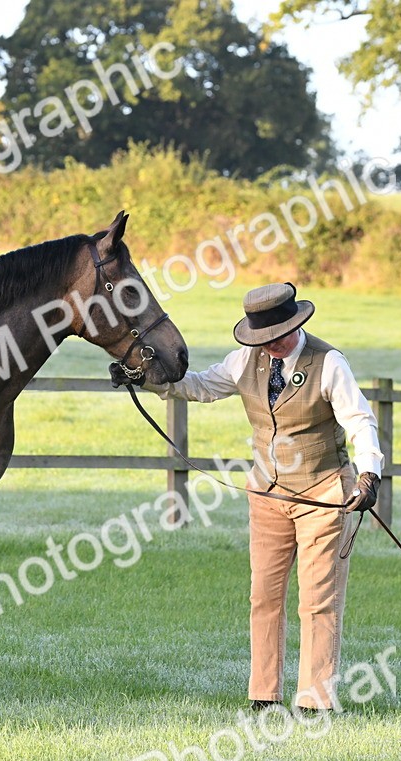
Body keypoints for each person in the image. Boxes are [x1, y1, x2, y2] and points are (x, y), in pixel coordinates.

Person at [144, 282, 383, 711]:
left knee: (318, 599)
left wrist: (369, 475)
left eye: (275, 337)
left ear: (295, 324)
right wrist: (149, 379)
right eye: (261, 339)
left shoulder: (329, 364)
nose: (269, 346)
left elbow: (360, 420)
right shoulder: (245, 361)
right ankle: (264, 697)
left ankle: (315, 700)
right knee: (264, 597)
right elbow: (199, 387)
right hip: (266, 495)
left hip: (323, 492)